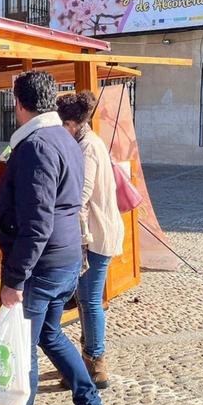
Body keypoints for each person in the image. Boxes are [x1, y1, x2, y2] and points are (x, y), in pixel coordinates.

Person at [0, 72, 106, 405]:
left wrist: (14, 280)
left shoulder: (37, 145)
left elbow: (37, 223)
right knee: (51, 335)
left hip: (42, 267)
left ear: (18, 104)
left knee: (22, 350)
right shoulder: (63, 137)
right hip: (64, 257)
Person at [57, 91, 125, 389]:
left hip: (95, 235)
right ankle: (88, 359)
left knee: (91, 300)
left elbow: (81, 195)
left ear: (70, 123)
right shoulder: (87, 141)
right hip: (96, 233)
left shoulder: (86, 147)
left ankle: (96, 363)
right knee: (86, 300)